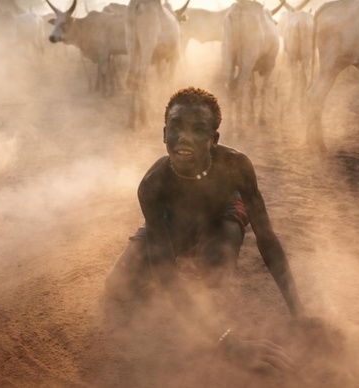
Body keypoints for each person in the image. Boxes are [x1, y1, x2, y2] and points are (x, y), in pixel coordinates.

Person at [105, 86, 305, 372]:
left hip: (220, 215)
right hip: (170, 222)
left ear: (214, 139)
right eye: (176, 126)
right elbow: (165, 273)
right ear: (164, 134)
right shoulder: (152, 186)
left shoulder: (237, 165)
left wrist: (299, 313)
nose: (184, 136)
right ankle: (186, 244)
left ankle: (210, 245)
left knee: (214, 278)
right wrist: (230, 343)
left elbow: (267, 239)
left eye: (199, 129)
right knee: (117, 287)